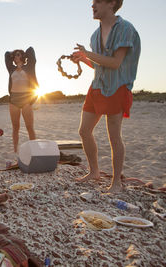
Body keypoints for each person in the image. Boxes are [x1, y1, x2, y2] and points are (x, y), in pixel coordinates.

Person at [71, 0, 140, 192]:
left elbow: (116, 63)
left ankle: (116, 182)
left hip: (117, 87)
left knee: (114, 136)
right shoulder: (95, 35)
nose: (92, 6)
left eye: (97, 2)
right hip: (97, 86)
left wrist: (88, 53)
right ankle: (94, 172)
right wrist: (84, 59)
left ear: (111, 3)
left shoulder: (125, 28)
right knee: (84, 131)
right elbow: (100, 64)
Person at [5, 47, 39, 154]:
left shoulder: (29, 67)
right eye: (15, 55)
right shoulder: (11, 69)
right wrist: (12, 53)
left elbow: (31, 51)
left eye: (18, 55)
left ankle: (34, 150)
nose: (16, 56)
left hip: (26, 99)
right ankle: (15, 151)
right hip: (13, 99)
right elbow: (6, 55)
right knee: (15, 127)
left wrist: (23, 53)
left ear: (23, 57)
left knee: (29, 127)